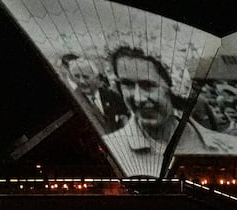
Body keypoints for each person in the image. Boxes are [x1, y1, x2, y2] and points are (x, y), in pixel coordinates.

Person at [101, 45, 237, 176]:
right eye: (127, 84)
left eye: (148, 85)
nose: (138, 98)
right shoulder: (109, 150)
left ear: (174, 88)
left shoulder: (228, 147)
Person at [60, 52, 129, 133]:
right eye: (77, 76)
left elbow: (124, 115)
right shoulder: (73, 98)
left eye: (86, 77)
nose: (81, 81)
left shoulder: (111, 95)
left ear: (96, 77)